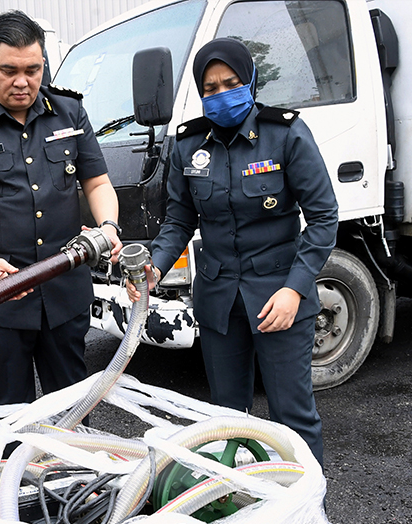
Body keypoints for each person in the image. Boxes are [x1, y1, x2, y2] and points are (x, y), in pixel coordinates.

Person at [131, 38, 338, 466]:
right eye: (210, 87)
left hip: (279, 297)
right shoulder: (189, 144)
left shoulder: (285, 135)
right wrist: (154, 267)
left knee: (292, 419)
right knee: (225, 419)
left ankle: (306, 506)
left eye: (231, 82)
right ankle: (235, 501)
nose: (221, 93)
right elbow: (178, 221)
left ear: (251, 82)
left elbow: (323, 218)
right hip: (219, 300)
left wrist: (295, 290)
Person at [0, 10, 122, 414]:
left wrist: (108, 226)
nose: (23, 82)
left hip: (63, 288)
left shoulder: (69, 113)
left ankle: (73, 474)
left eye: (33, 70)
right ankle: (13, 475)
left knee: (73, 402)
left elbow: (97, 183)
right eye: (9, 70)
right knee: (9, 407)